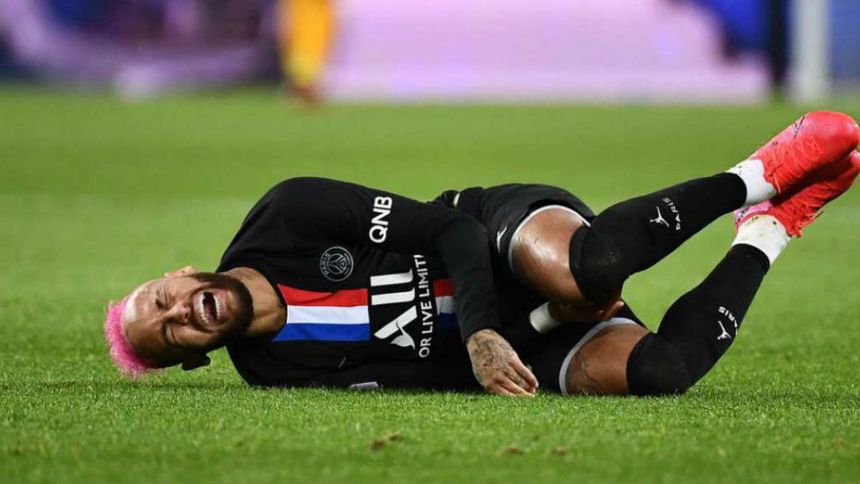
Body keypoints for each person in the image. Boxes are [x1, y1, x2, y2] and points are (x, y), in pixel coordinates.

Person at [105, 112, 860, 397]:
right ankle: (772, 226)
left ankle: (756, 175)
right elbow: (421, 376)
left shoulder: (287, 214)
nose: (179, 315)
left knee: (591, 269)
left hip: (488, 232)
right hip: (515, 332)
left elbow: (448, 232)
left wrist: (488, 330)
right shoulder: (274, 371)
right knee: (661, 373)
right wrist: (538, 326)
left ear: (178, 275)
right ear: (194, 359)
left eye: (161, 300)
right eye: (171, 336)